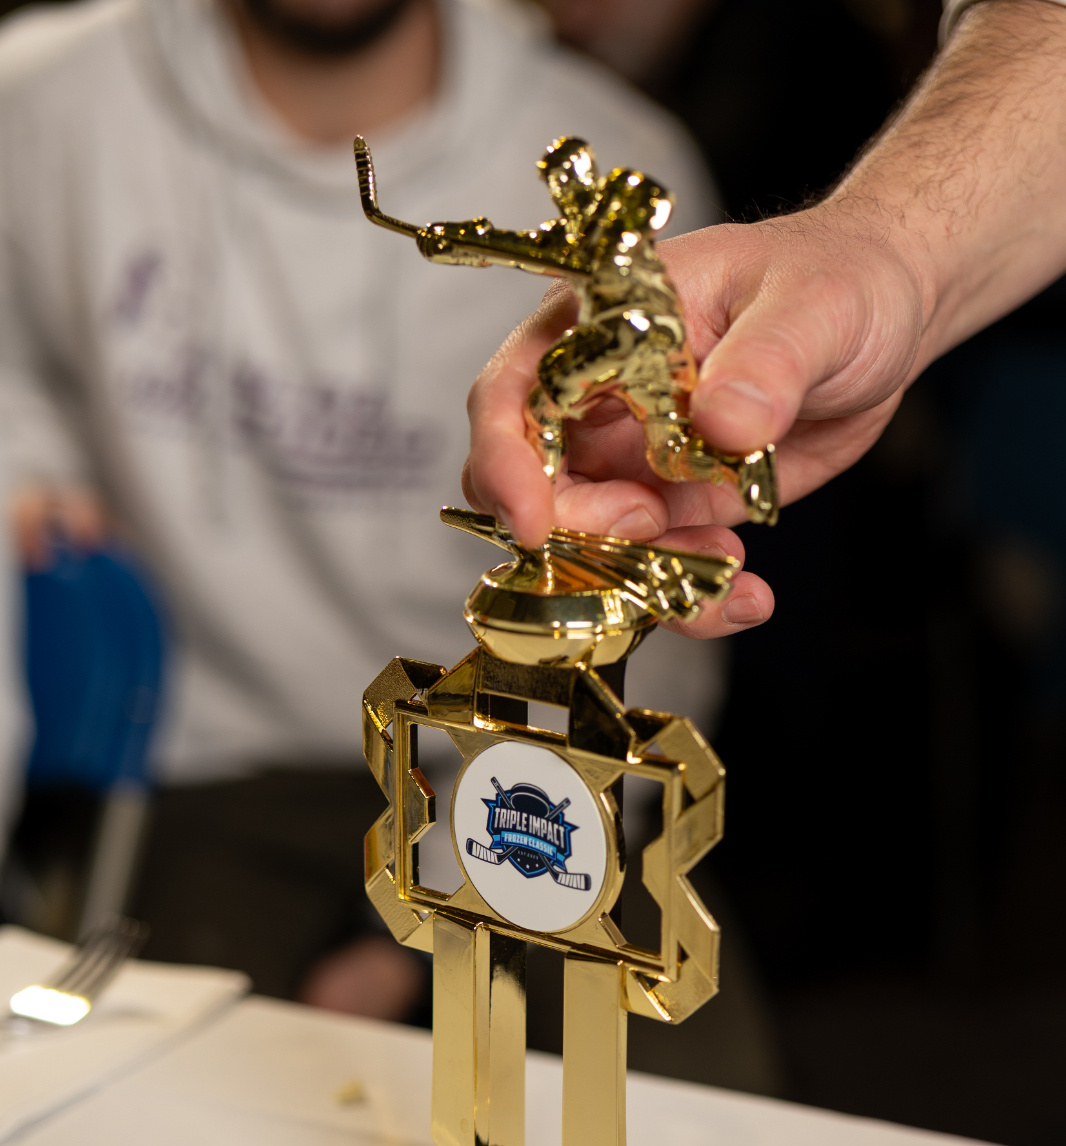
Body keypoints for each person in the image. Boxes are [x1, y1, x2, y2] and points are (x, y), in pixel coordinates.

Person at [0, 0, 717, 1012]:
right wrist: (30, 459)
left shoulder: (620, 156)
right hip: (211, 766)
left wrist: (434, 923)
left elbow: (657, 597)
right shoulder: (45, 96)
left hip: (527, 756)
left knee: (666, 1084)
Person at [462, 0, 1066, 643]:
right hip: (670, 355)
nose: (560, 183)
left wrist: (890, 251)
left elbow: (564, 247)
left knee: (597, 415)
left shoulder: (626, 186)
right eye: (555, 178)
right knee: (627, 434)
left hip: (652, 343)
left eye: (564, 175)